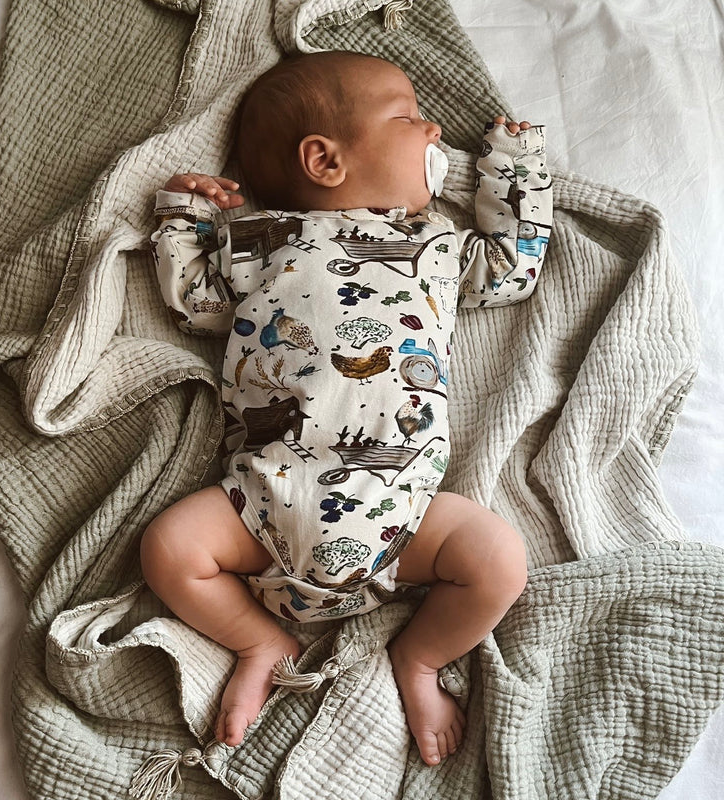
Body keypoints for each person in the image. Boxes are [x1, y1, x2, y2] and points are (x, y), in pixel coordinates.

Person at [141, 50, 552, 767]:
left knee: (498, 562)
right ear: (324, 160)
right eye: (409, 117)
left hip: (403, 509)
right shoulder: (261, 241)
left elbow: (511, 271)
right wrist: (183, 211)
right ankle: (258, 639)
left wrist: (515, 171)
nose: (432, 134)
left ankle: (418, 660)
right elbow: (193, 301)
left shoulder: (436, 245)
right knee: (169, 548)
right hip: (265, 500)